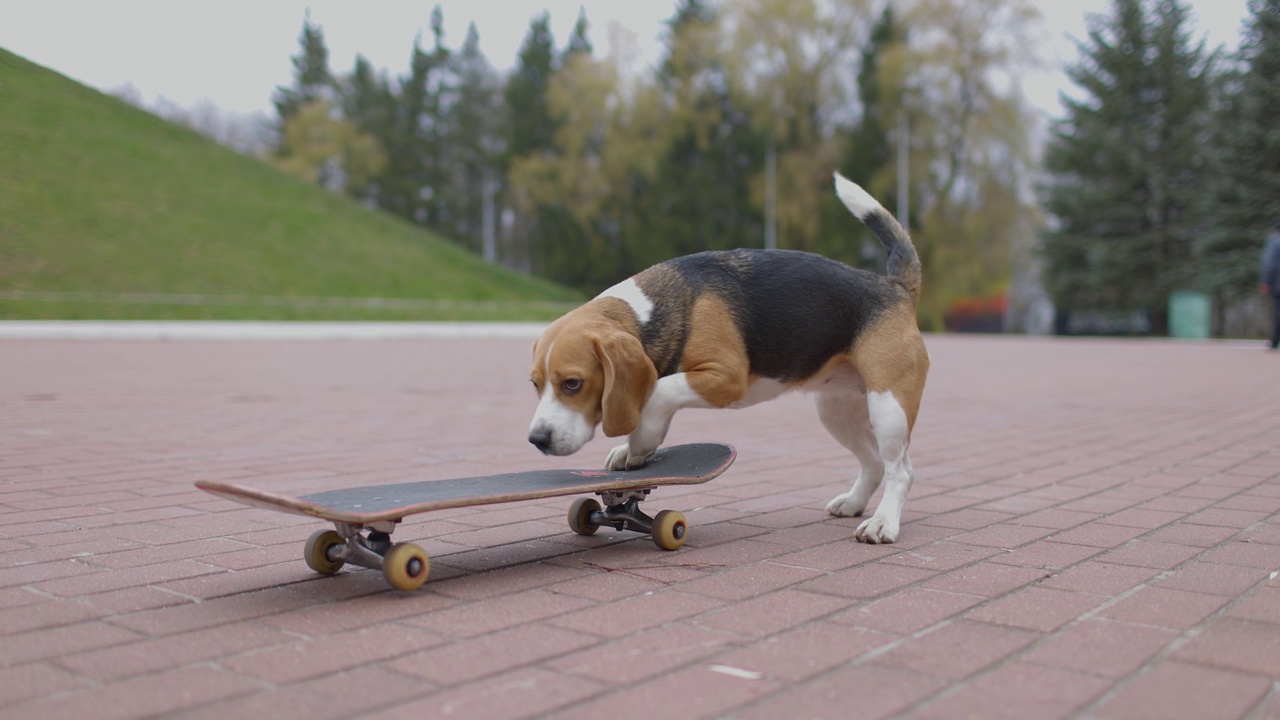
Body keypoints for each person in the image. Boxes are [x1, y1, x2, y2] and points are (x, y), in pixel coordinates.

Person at [1263, 221, 1280, 350]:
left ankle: (1275, 341)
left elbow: (1270, 263)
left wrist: (1266, 281)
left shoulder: (1275, 242)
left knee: (1278, 312)